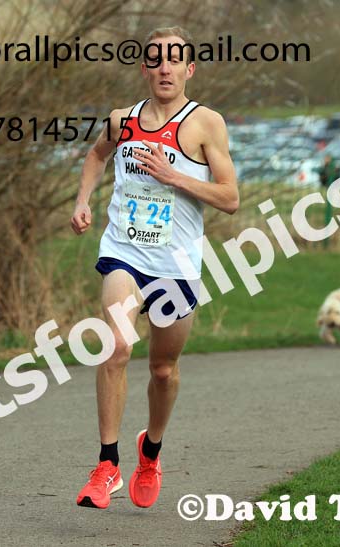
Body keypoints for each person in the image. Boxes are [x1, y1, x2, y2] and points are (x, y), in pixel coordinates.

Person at [69, 26, 239, 510]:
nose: (164, 68)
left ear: (189, 69)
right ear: (144, 67)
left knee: (163, 369)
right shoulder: (121, 119)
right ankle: (107, 464)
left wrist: (173, 176)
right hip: (124, 250)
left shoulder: (206, 124)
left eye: (174, 60)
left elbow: (230, 198)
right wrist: (83, 201)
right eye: (155, 60)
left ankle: (151, 450)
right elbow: (96, 155)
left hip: (176, 263)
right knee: (118, 345)